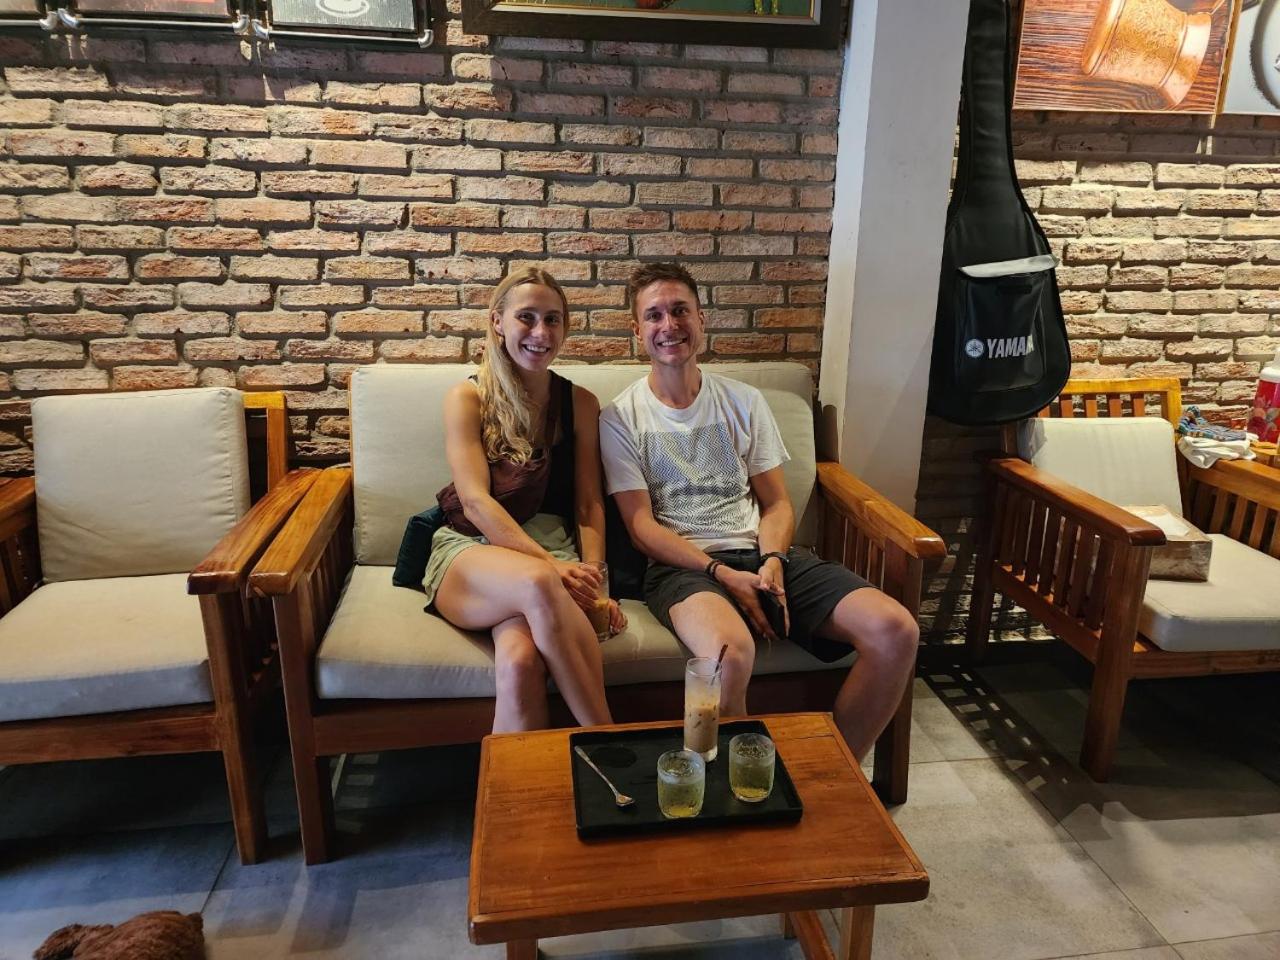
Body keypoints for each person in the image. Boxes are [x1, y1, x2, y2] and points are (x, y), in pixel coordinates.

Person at [599, 263, 918, 760]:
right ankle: (736, 787)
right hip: (683, 568)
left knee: (896, 630)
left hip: (761, 554)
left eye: (681, 310)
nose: (669, 325)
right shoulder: (621, 417)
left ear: (702, 320)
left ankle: (836, 777)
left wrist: (772, 560)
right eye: (654, 315)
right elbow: (640, 527)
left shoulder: (743, 401)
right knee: (730, 658)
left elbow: (776, 503)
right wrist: (720, 572)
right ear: (637, 331)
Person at [424, 267, 624, 733]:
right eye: (526, 318)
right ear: (497, 322)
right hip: (473, 552)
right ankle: (608, 741)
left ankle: (524, 782)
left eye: (553, 320)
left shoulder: (580, 403)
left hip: (556, 556)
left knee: (518, 664)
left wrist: (596, 584)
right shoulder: (468, 397)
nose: (541, 332)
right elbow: (475, 503)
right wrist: (552, 569)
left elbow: (589, 504)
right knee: (536, 582)